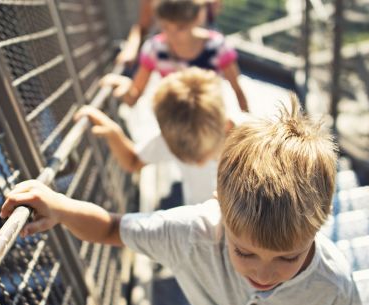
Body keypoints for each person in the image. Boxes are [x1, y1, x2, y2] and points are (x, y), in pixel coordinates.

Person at [0, 94, 368, 305]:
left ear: (320, 225)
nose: (264, 272)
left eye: (287, 258)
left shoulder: (332, 284)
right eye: (244, 252)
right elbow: (112, 228)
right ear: (217, 205)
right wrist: (60, 207)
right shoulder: (191, 234)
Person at [78, 67, 231, 205]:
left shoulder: (251, 141)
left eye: (204, 155)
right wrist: (113, 133)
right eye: (185, 158)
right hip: (201, 217)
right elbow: (133, 162)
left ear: (227, 127)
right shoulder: (175, 139)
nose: (198, 163)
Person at [108, 0, 249, 112]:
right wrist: (126, 88)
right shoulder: (155, 50)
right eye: (165, 27)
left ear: (197, 18)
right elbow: (133, 98)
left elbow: (238, 91)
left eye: (180, 28)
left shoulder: (218, 47)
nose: (172, 35)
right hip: (174, 118)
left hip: (209, 115)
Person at [116, 0, 223, 66]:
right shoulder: (156, 46)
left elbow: (213, 12)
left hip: (203, 43)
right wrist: (131, 48)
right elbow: (142, 27)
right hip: (168, 46)